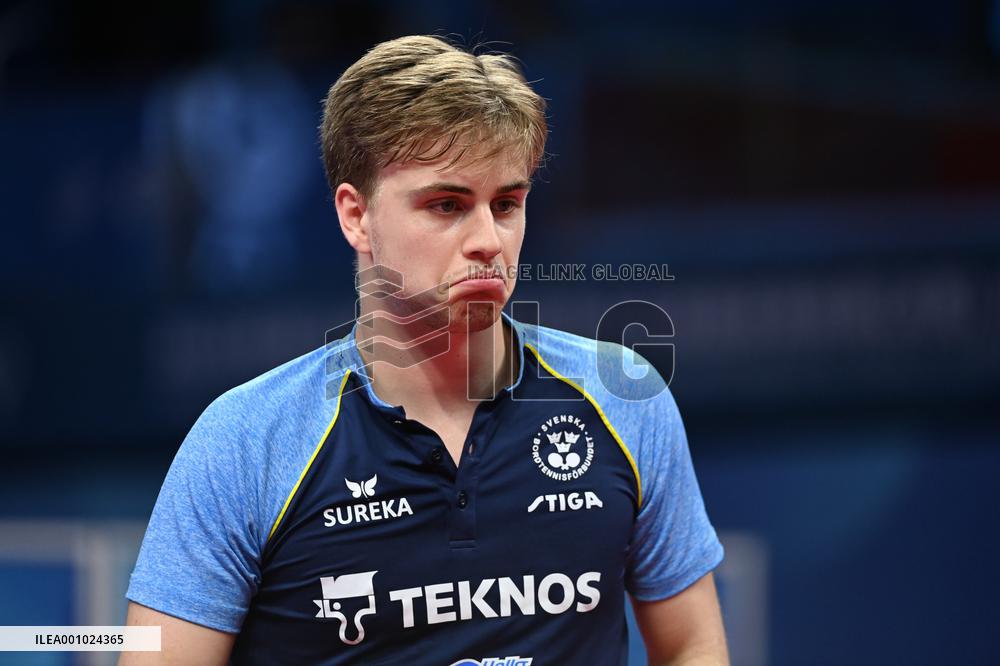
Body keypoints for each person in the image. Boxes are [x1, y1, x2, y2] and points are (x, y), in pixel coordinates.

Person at [121, 35, 728, 665]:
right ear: (356, 216)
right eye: (448, 205)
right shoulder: (246, 442)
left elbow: (692, 646)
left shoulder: (624, 400)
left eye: (507, 204)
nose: (489, 241)